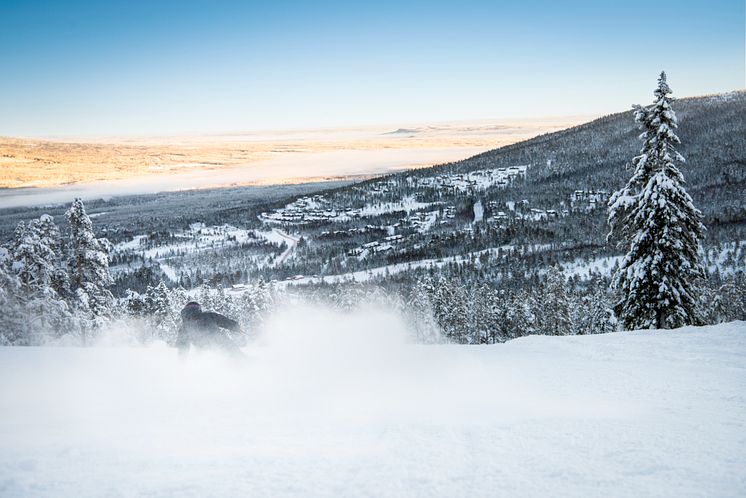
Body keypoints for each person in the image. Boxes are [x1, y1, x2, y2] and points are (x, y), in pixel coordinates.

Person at [176, 301, 245, 358]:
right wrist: (237, 327)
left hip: (203, 349)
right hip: (219, 341)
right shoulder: (208, 315)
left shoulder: (184, 326)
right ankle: (243, 362)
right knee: (233, 352)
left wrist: (182, 361)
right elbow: (225, 321)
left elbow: (182, 345)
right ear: (198, 309)